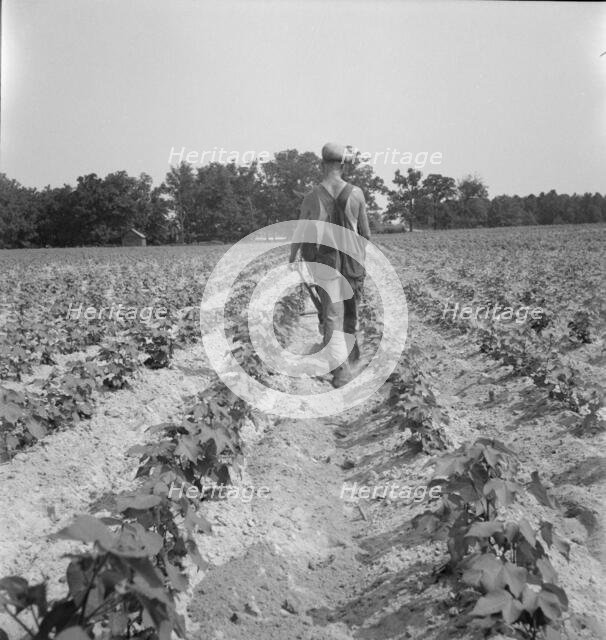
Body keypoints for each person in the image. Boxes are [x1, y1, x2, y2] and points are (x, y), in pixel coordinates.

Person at [289, 142, 371, 388]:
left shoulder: (313, 196)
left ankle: (340, 370)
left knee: (332, 315)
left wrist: (293, 256)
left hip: (327, 263)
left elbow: (301, 231)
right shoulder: (357, 194)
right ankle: (345, 363)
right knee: (350, 313)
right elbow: (366, 234)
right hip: (353, 264)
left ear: (321, 164)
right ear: (343, 166)